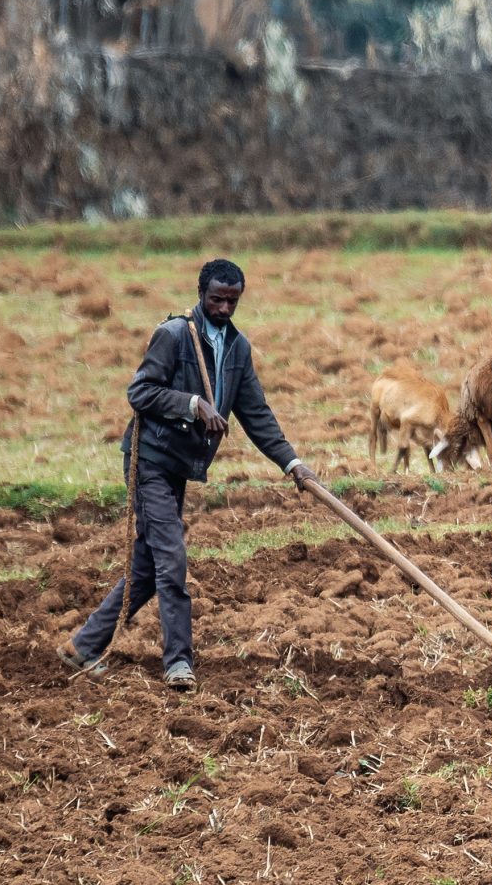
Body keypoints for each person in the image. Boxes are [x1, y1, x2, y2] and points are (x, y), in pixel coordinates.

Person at [61, 257, 314, 689]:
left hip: (180, 465)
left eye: (232, 300)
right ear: (201, 295)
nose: (224, 308)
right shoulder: (175, 335)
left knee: (147, 565)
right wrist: (193, 405)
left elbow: (256, 413)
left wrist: (291, 463)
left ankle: (84, 645)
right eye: (217, 299)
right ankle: (178, 662)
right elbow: (140, 391)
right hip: (150, 461)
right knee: (172, 560)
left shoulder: (237, 348)